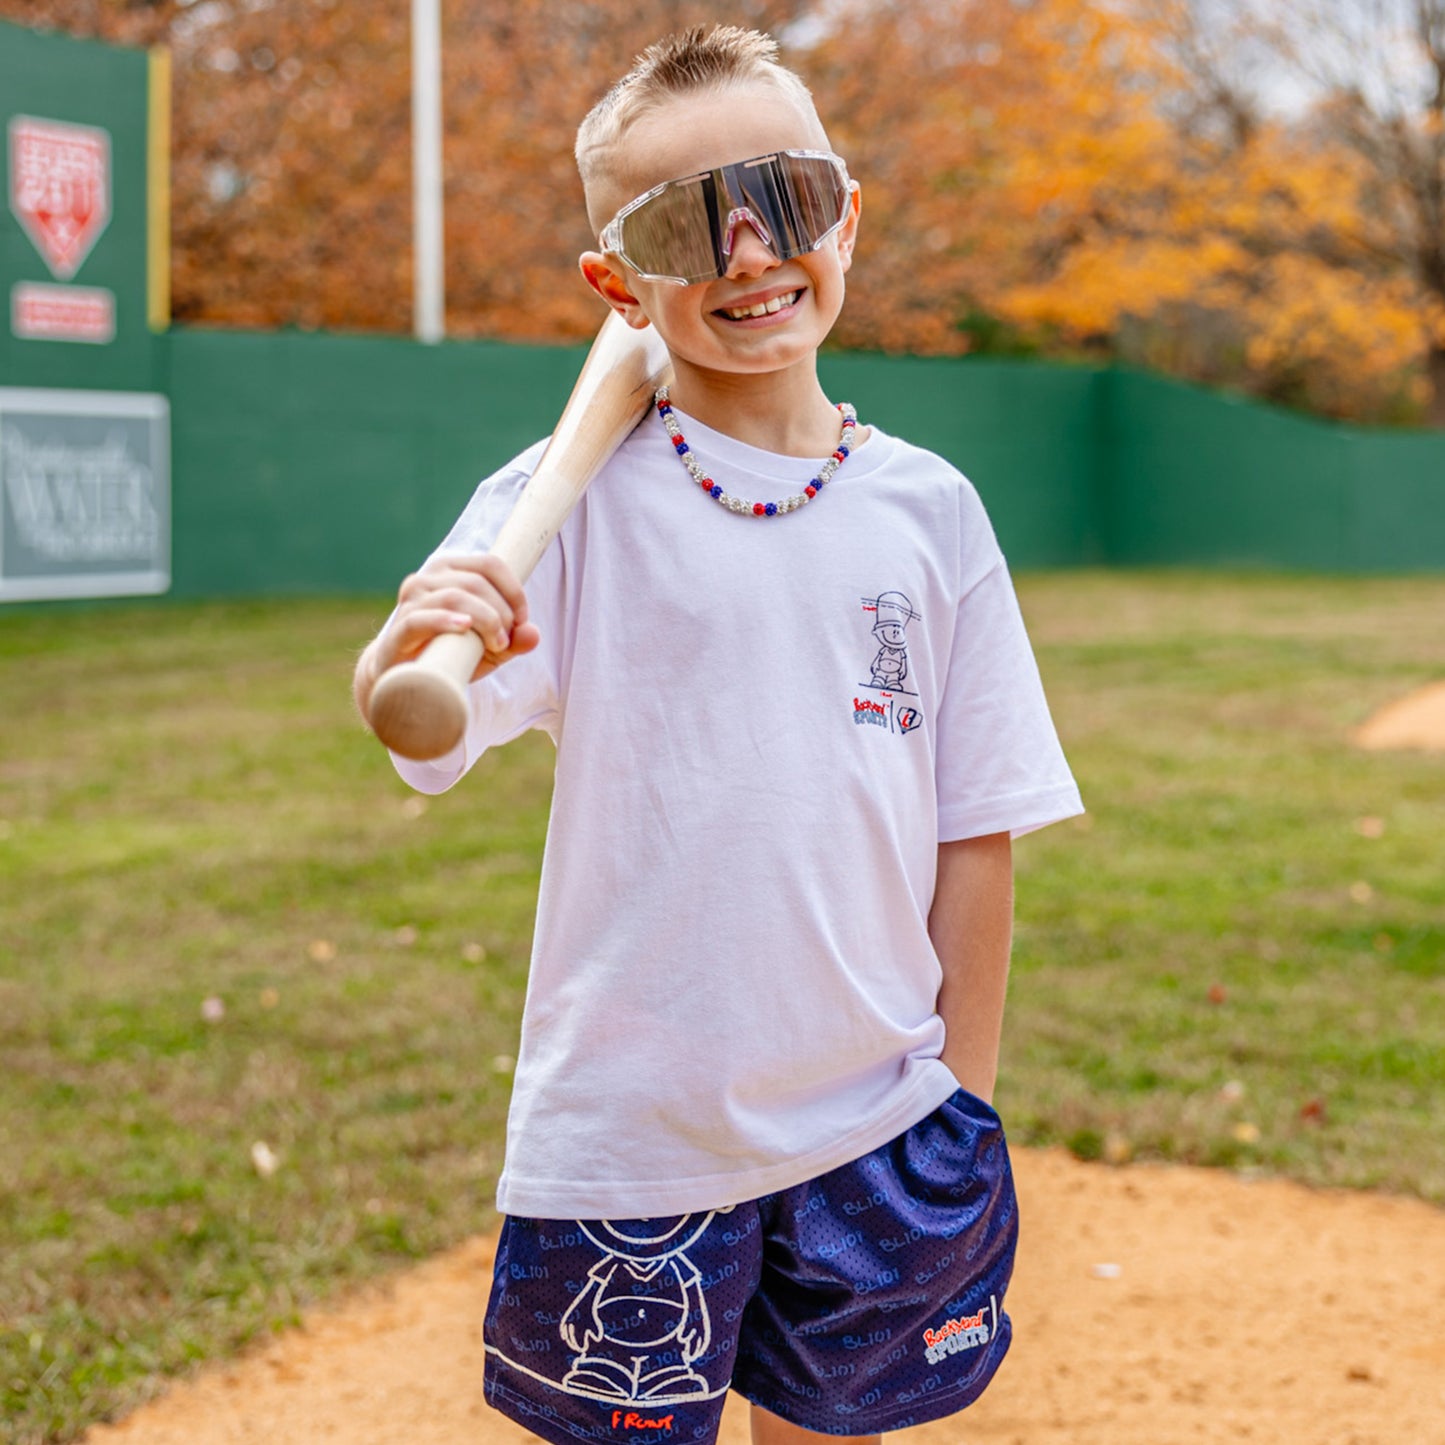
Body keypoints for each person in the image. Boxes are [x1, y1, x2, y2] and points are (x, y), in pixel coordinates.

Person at [352, 25, 1082, 1445]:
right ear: (616, 281)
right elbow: (418, 725)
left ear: (844, 214)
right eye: (687, 220)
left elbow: (973, 824)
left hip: (874, 1122)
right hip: (631, 1141)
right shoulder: (555, 511)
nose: (748, 249)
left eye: (785, 198)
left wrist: (961, 1098)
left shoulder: (930, 515)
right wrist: (406, 635)